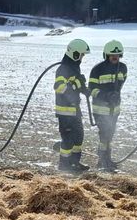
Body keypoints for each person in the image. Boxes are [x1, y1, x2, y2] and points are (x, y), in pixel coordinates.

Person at [88, 40, 126, 171]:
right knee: (104, 134)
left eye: (117, 55)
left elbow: (120, 85)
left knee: (110, 134)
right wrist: (106, 96)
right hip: (101, 109)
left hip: (114, 110)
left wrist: (115, 97)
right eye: (112, 55)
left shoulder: (123, 68)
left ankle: (107, 159)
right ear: (106, 55)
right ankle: (102, 160)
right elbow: (91, 89)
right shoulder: (97, 69)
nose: (114, 58)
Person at [53, 38, 90, 174]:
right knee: (68, 140)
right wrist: (76, 85)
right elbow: (59, 87)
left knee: (79, 136)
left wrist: (84, 89)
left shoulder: (74, 68)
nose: (82, 58)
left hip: (75, 110)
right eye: (81, 55)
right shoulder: (63, 69)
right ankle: (64, 164)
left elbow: (75, 84)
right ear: (74, 54)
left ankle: (74, 162)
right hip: (65, 111)